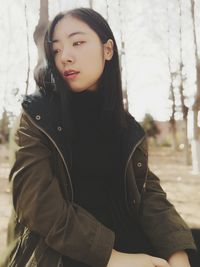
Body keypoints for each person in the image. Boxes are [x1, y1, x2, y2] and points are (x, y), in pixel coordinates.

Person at [0, 7, 196, 267]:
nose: (65, 57)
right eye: (56, 49)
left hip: (129, 244)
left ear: (108, 50)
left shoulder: (125, 126)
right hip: (58, 254)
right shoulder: (36, 116)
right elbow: (37, 205)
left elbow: (149, 194)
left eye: (78, 42)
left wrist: (177, 251)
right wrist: (114, 259)